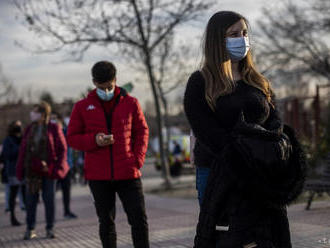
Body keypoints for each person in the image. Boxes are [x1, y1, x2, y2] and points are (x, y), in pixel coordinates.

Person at [184, 11, 306, 248]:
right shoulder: (201, 82)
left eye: (244, 33)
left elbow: (274, 121)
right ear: (218, 40)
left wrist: (274, 150)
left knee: (265, 238)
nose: (242, 39)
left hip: (262, 173)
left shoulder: (257, 81)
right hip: (218, 173)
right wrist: (242, 156)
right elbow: (206, 130)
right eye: (234, 34)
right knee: (228, 240)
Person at [67, 61, 150, 248]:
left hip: (128, 172)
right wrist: (94, 141)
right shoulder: (82, 107)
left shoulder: (131, 103)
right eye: (102, 87)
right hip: (98, 176)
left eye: (110, 87)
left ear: (116, 80)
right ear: (94, 83)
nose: (106, 91)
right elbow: (72, 138)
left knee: (139, 219)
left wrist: (137, 160)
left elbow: (142, 131)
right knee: (106, 222)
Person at [16, 101, 69, 240]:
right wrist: (20, 169)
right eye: (32, 111)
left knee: (49, 200)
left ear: (43, 114)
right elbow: (23, 150)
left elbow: (62, 150)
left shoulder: (53, 127)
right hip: (32, 171)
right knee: (30, 201)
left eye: (36, 112)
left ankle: (50, 228)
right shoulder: (29, 128)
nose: (32, 114)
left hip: (48, 171)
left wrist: (54, 168)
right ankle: (30, 228)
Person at [50, 112, 78, 219]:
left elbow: (72, 141)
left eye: (55, 119)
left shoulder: (66, 132)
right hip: (54, 167)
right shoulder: (49, 132)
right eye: (51, 119)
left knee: (67, 191)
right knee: (51, 192)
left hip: (66, 166)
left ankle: (67, 211)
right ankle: (50, 214)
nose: (53, 121)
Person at [1, 120, 26, 226]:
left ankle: (29, 217)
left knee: (25, 195)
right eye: (16, 126)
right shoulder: (8, 140)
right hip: (13, 171)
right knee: (13, 195)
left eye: (20, 126)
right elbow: (7, 155)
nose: (19, 128)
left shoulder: (23, 139)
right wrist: (19, 149)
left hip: (24, 170)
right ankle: (13, 217)